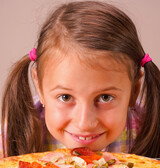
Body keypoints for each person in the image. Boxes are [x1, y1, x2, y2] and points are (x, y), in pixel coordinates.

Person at [1, 0, 160, 159]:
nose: (85, 123)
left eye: (105, 97)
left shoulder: (150, 131)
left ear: (134, 90)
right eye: (65, 97)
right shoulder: (13, 135)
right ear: (39, 86)